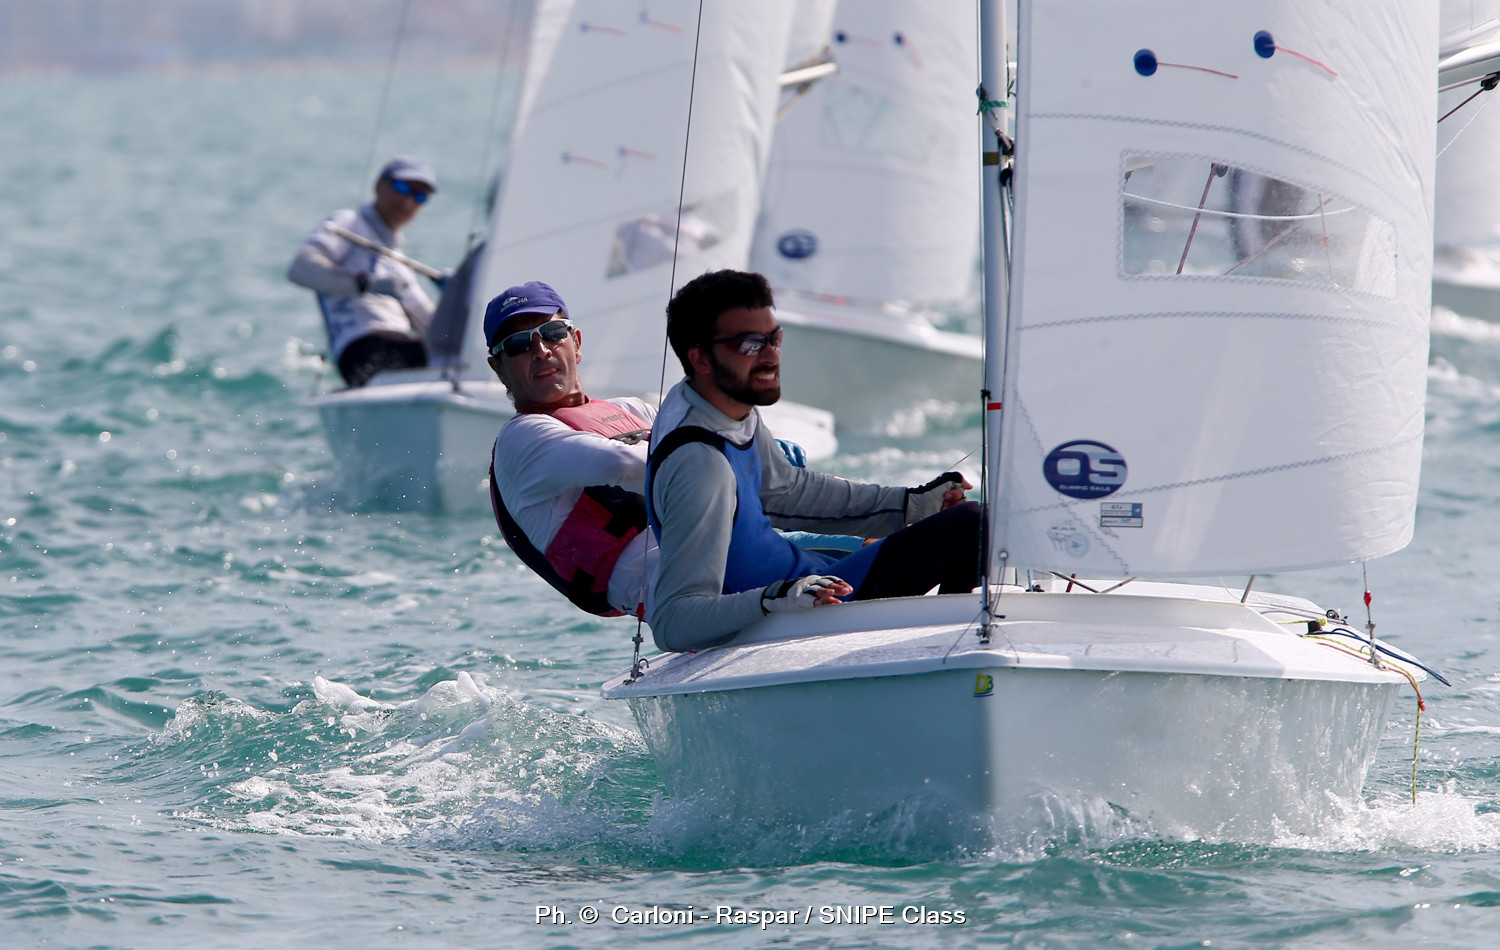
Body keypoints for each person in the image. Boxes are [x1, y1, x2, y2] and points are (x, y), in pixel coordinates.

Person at [647, 269, 982, 653]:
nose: (772, 356)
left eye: (775, 338)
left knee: (946, 526)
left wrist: (909, 504)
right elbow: (674, 621)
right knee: (972, 526)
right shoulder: (700, 465)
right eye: (750, 344)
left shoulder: (718, 405)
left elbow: (786, 492)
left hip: (811, 582)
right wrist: (774, 598)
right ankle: (954, 659)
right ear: (701, 359)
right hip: (796, 613)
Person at [484, 281, 658, 617]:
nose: (541, 350)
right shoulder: (522, 438)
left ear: (575, 343)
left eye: (552, 333)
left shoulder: (635, 410)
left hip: (717, 551)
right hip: (675, 591)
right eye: (519, 344)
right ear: (499, 369)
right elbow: (626, 465)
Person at [287, 156, 440, 388]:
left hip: (402, 352)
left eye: (419, 196)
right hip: (362, 352)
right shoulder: (350, 224)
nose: (408, 201)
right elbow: (300, 269)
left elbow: (438, 332)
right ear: (379, 185)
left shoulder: (400, 265)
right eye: (402, 187)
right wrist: (366, 283)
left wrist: (458, 294)